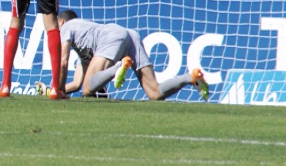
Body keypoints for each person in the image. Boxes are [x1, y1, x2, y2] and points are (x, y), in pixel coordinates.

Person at [48, 10, 210, 101]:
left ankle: (119, 66)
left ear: (61, 22)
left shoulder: (67, 27)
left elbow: (63, 61)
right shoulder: (84, 41)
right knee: (155, 93)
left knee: (88, 89)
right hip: (130, 35)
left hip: (111, 35)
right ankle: (190, 78)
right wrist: (53, 91)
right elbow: (77, 83)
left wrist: (58, 91)